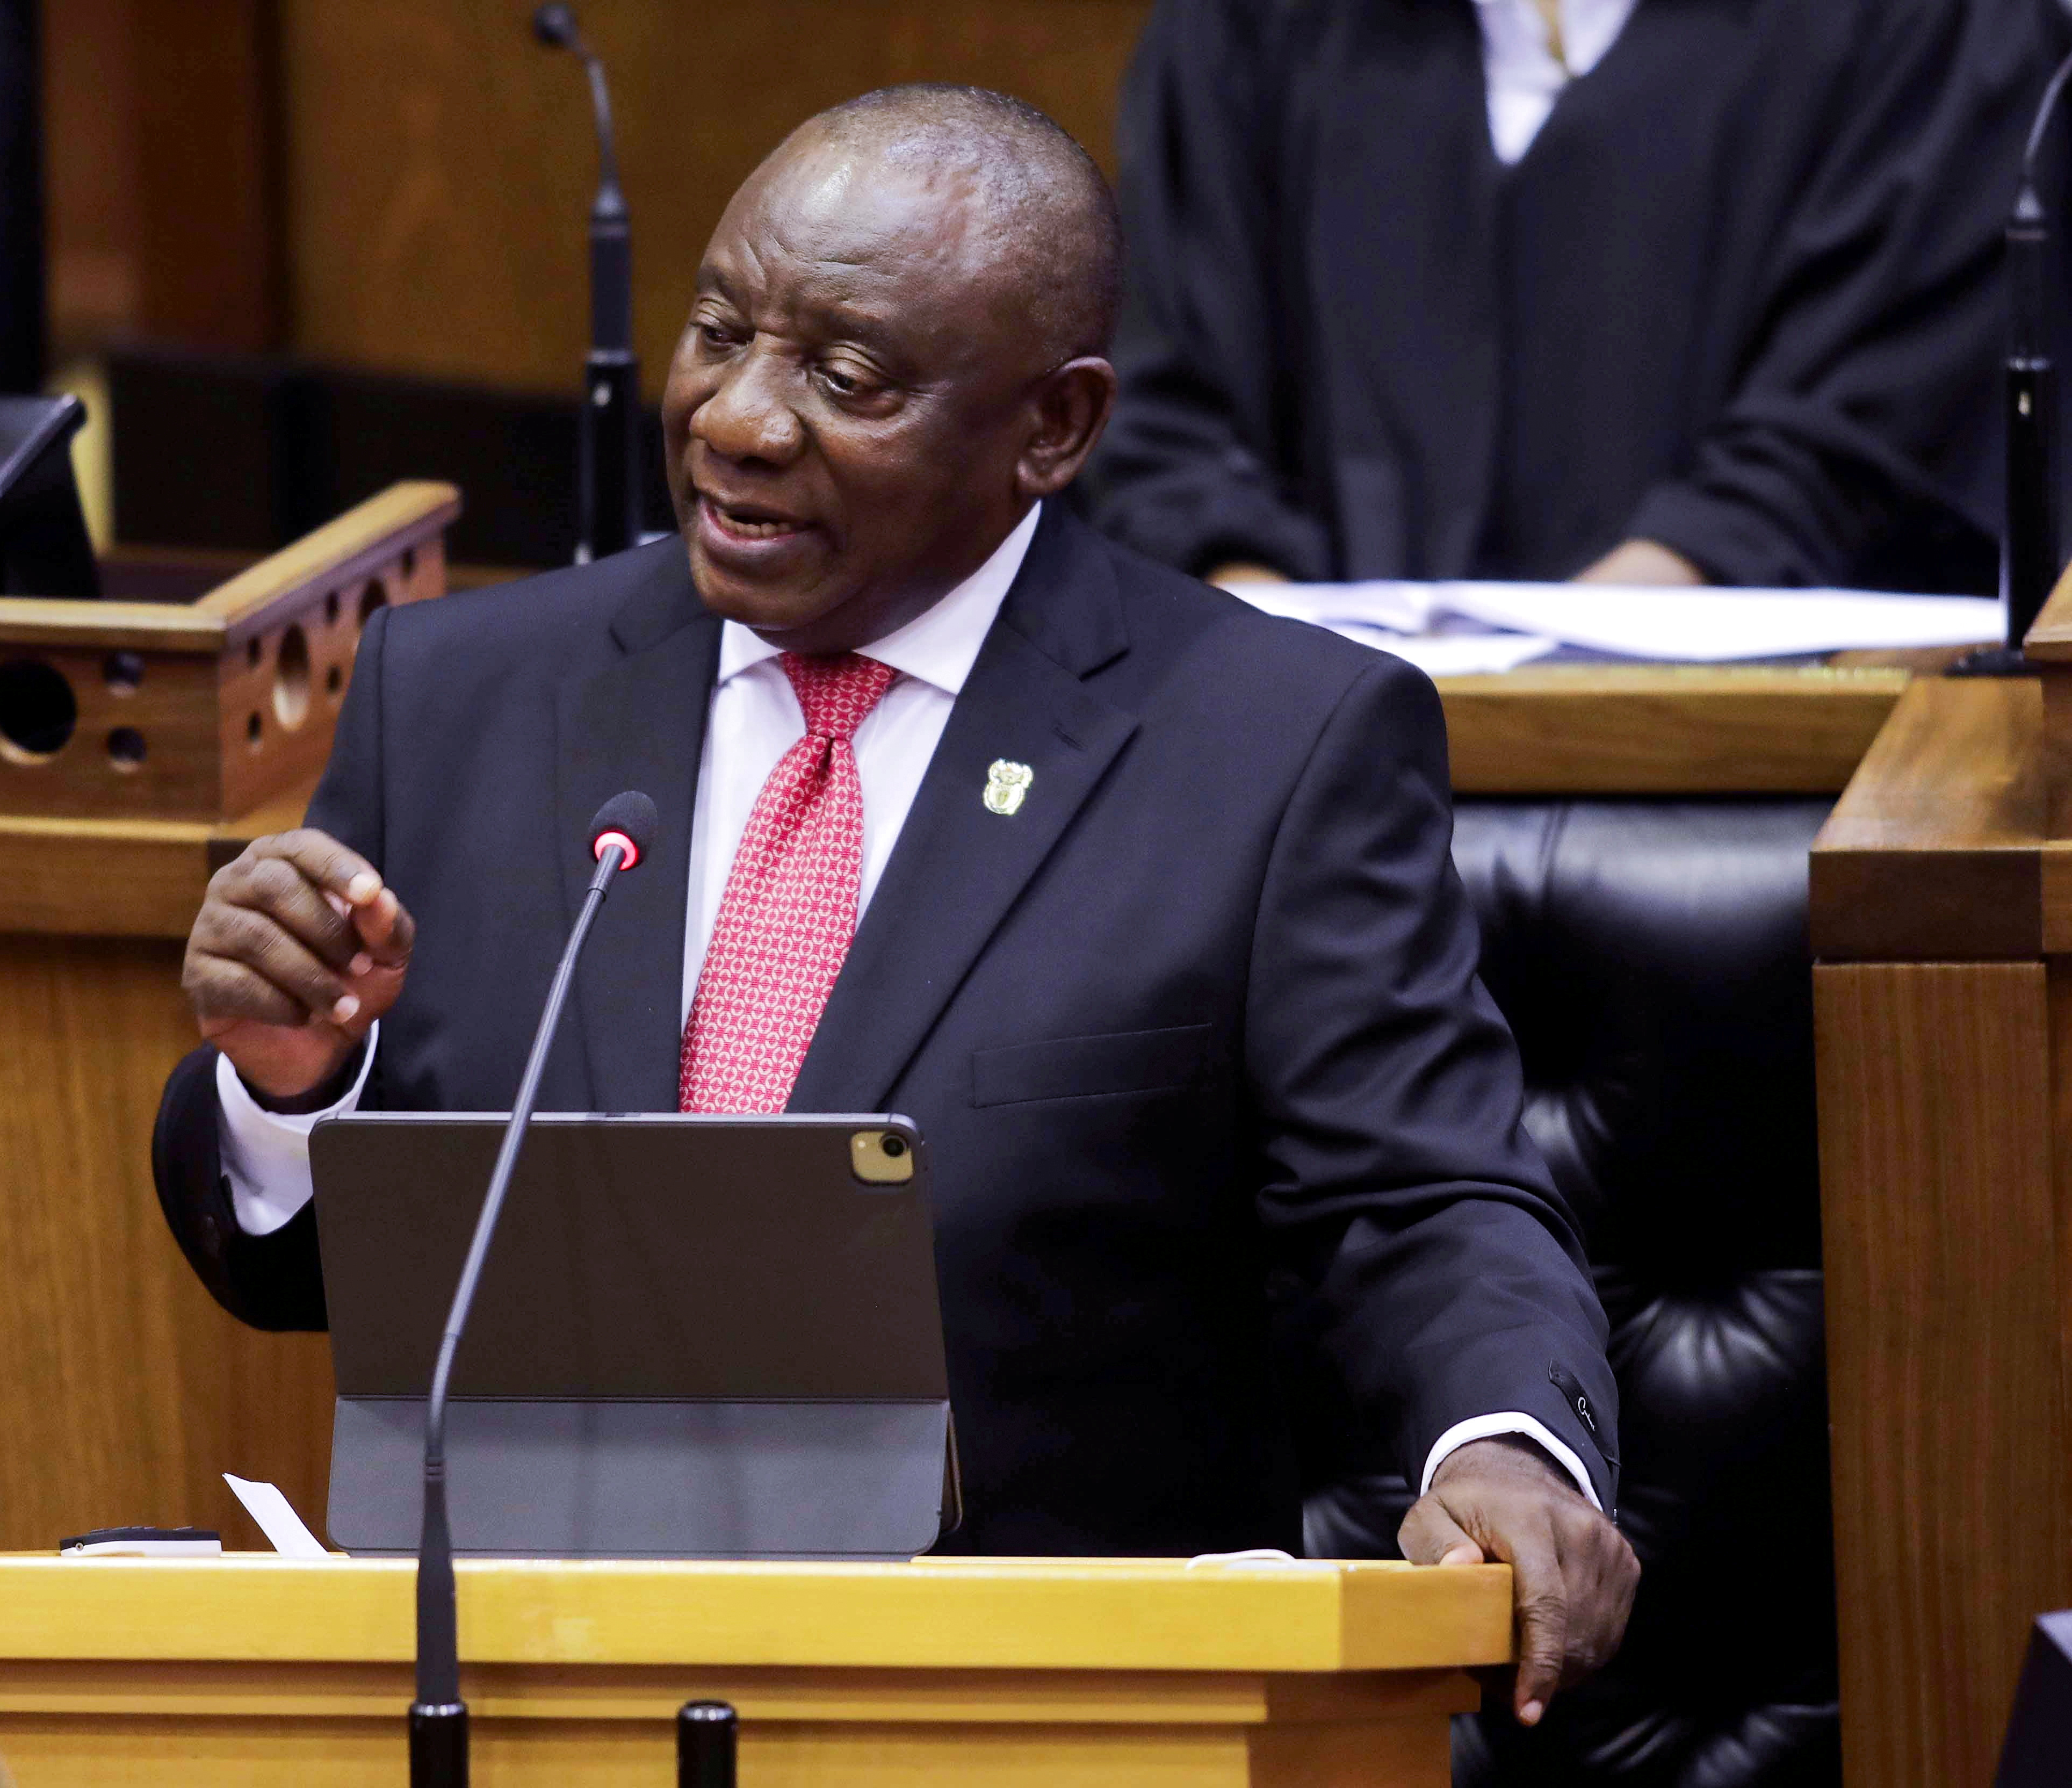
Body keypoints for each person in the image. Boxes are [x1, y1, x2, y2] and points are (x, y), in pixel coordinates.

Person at [153, 85, 1638, 1724]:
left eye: (846, 378)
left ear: (1053, 428)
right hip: (524, 1699)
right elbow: (312, 1274)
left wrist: (1505, 1445)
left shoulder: (1270, 747)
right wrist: (291, 1090)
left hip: (1049, 1718)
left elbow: (1419, 1203)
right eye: (721, 334)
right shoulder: (460, 696)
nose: (738, 419)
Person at [1090, 0, 2045, 592]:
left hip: (1785, 768)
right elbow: (1165, 412)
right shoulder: (1250, 26)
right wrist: (1280, 657)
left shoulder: (1933, 24)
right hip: (1300, 762)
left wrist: (1560, 670)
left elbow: (1881, 422)